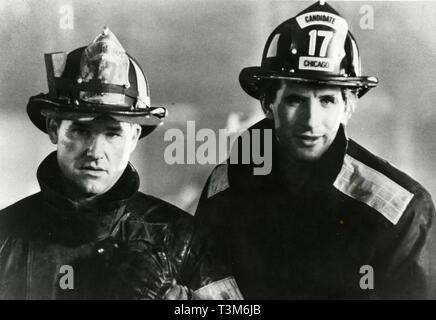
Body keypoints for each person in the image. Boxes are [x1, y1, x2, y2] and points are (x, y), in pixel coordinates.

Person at [195, 1, 436, 299]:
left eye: (326, 100)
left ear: (348, 106)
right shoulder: (225, 186)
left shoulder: (402, 211)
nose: (311, 121)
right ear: (268, 104)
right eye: (296, 99)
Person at [0, 27, 242, 300]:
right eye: (81, 130)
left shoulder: (182, 239)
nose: (95, 151)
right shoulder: (4, 235)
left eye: (113, 133)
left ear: (134, 136)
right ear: (54, 128)